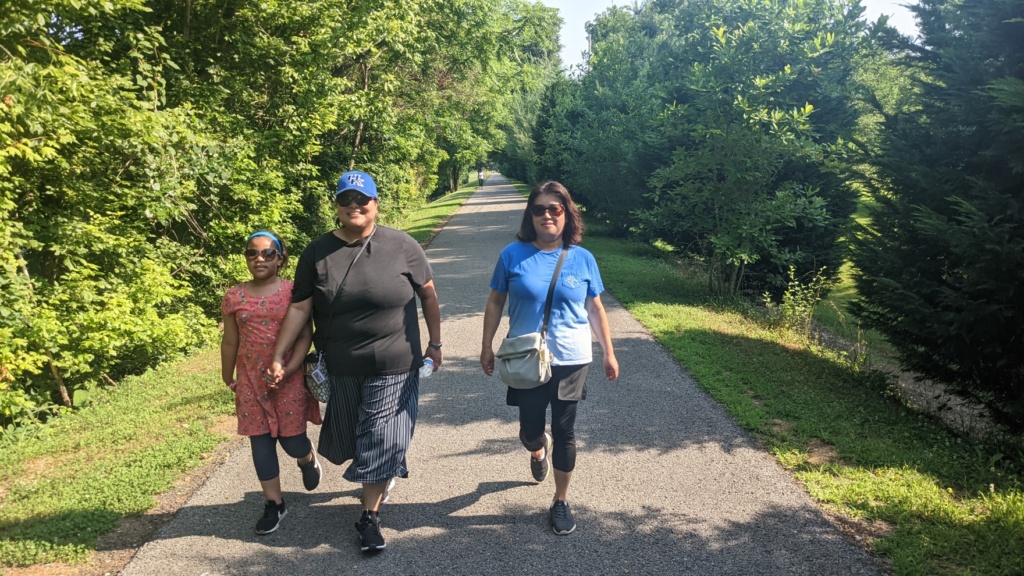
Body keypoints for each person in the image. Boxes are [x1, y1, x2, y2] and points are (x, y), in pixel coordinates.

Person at [267, 170, 442, 554]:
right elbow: (300, 307)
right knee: (350, 438)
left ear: (376, 204)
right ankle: (384, 466)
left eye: (362, 200)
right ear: (336, 206)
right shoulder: (317, 252)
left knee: (378, 436)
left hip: (396, 360)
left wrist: (435, 343)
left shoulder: (402, 245)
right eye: (346, 200)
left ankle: (369, 518)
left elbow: (428, 295)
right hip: (342, 364)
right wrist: (280, 354)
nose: (354, 206)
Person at [480, 180, 619, 536]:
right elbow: (496, 301)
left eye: (554, 209)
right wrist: (486, 345)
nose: (546, 215)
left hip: (572, 358)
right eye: (539, 209)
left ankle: (560, 501)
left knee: (565, 429)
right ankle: (537, 451)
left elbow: (595, 307)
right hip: (526, 356)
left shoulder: (583, 258)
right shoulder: (513, 255)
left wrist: (608, 351)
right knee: (530, 431)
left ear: (566, 214)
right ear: (531, 215)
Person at [220, 230, 323, 536]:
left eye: (268, 253)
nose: (259, 259)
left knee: (292, 442)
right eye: (252, 253)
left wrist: (290, 368)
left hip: (289, 380)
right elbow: (230, 341)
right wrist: (228, 376)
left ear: (281, 258)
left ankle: (306, 459)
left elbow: (306, 335)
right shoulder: (234, 296)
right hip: (252, 382)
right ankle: (274, 504)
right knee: (260, 442)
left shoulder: (295, 292)